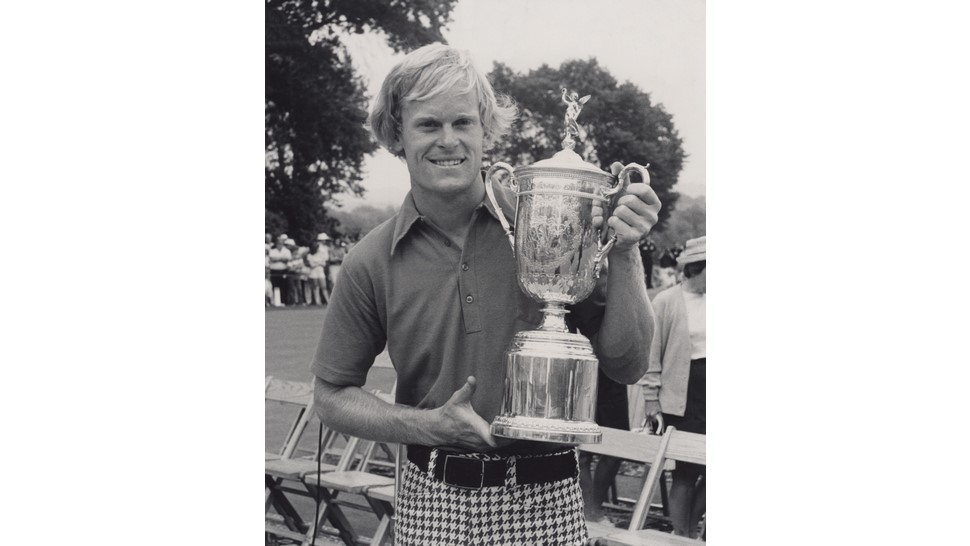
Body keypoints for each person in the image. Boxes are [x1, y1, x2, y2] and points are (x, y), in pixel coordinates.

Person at [310, 43, 661, 545]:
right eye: (428, 125)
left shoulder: (547, 221)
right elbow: (331, 397)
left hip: (548, 501)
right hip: (432, 501)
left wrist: (625, 251)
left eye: (463, 122)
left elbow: (627, 365)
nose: (448, 141)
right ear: (397, 136)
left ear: (484, 129)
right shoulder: (370, 259)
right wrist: (428, 426)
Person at [638, 235, 706, 538]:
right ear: (698, 268)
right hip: (683, 395)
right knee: (686, 471)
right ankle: (683, 534)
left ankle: (691, 528)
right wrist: (651, 399)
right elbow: (652, 354)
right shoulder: (667, 301)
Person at [306, 234, 331, 305]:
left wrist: (317, 263)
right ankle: (317, 301)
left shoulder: (321, 252)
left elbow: (323, 262)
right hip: (314, 272)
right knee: (315, 287)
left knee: (323, 286)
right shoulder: (310, 255)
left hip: (320, 271)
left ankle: (327, 300)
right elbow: (312, 265)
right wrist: (318, 263)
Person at [267, 234, 291, 306]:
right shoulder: (272, 251)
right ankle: (275, 302)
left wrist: (278, 259)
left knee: (284, 286)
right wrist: (281, 259)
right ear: (276, 244)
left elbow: (287, 259)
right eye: (278, 243)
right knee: (275, 286)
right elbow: (271, 259)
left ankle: (284, 301)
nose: (280, 245)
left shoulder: (286, 251)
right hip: (274, 271)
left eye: (281, 243)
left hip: (283, 270)